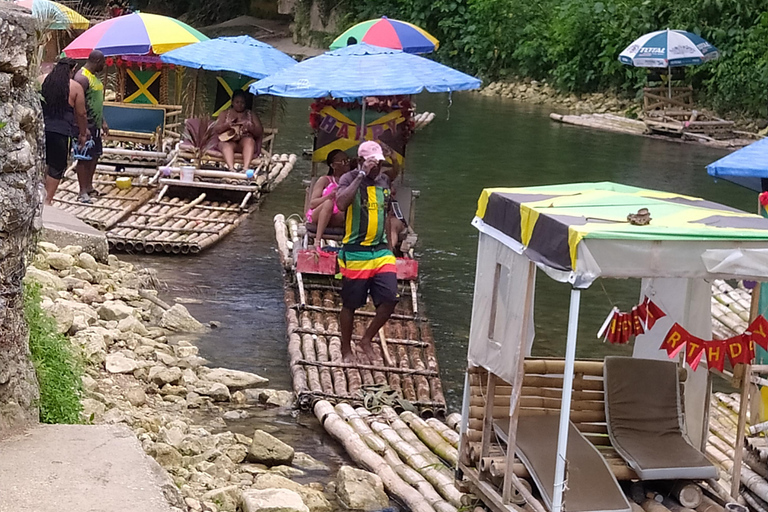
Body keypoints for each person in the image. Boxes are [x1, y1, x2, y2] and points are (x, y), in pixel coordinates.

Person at [335, 141, 400, 363]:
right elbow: (342, 203)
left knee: (390, 298)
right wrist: (361, 175)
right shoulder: (349, 178)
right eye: (373, 163)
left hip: (381, 250)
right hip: (356, 251)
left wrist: (392, 157)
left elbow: (395, 173)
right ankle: (346, 349)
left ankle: (366, 339)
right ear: (362, 161)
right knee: (351, 303)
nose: (377, 168)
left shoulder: (383, 180)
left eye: (379, 163)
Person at [40, 58, 88, 205]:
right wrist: (83, 133)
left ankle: (37, 196)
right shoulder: (75, 87)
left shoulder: (41, 80)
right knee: (57, 165)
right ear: (73, 70)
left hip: (40, 129)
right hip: (60, 132)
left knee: (41, 162)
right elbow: (81, 114)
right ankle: (47, 200)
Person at [73, 50, 109, 203]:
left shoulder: (94, 77)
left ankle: (89, 186)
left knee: (94, 155)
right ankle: (82, 191)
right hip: (85, 124)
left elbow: (95, 103)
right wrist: (83, 127)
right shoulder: (82, 78)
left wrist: (103, 121)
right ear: (97, 61)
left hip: (95, 124)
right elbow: (77, 104)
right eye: (103, 63)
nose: (104, 66)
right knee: (84, 156)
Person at [306, 149, 350, 249]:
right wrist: (329, 196)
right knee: (328, 203)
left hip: (338, 217)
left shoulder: (350, 182)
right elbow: (312, 204)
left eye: (348, 160)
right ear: (333, 165)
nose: (347, 164)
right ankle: (317, 242)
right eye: (343, 161)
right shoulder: (325, 180)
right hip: (319, 214)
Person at [214, 90, 263, 171]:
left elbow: (259, 132)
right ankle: (231, 168)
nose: (240, 105)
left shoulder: (251, 114)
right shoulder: (225, 113)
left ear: (245, 103)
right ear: (232, 102)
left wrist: (251, 127)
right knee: (226, 145)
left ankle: (246, 168)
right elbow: (216, 129)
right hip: (228, 141)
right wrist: (227, 125)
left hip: (244, 142)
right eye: (237, 102)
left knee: (249, 141)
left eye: (242, 102)